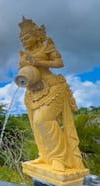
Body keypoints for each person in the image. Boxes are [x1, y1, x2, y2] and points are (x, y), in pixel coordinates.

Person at [17, 17, 85, 172]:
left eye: (26, 37)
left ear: (36, 36)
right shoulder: (24, 54)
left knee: (43, 120)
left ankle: (60, 159)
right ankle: (45, 155)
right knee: (35, 124)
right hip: (33, 90)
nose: (23, 41)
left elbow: (59, 63)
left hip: (53, 87)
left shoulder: (47, 47)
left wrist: (39, 63)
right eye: (21, 38)